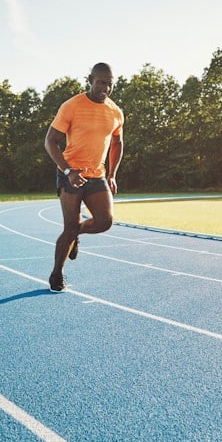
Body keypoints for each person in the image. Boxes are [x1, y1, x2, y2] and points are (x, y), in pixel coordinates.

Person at [43, 62, 124, 291]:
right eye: (101, 82)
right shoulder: (72, 106)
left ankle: (76, 234)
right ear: (90, 80)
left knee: (105, 221)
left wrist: (113, 174)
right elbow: (50, 141)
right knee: (69, 226)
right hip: (69, 173)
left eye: (110, 84)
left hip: (96, 174)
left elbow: (117, 142)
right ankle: (57, 273)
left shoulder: (115, 112)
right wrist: (68, 171)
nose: (105, 88)